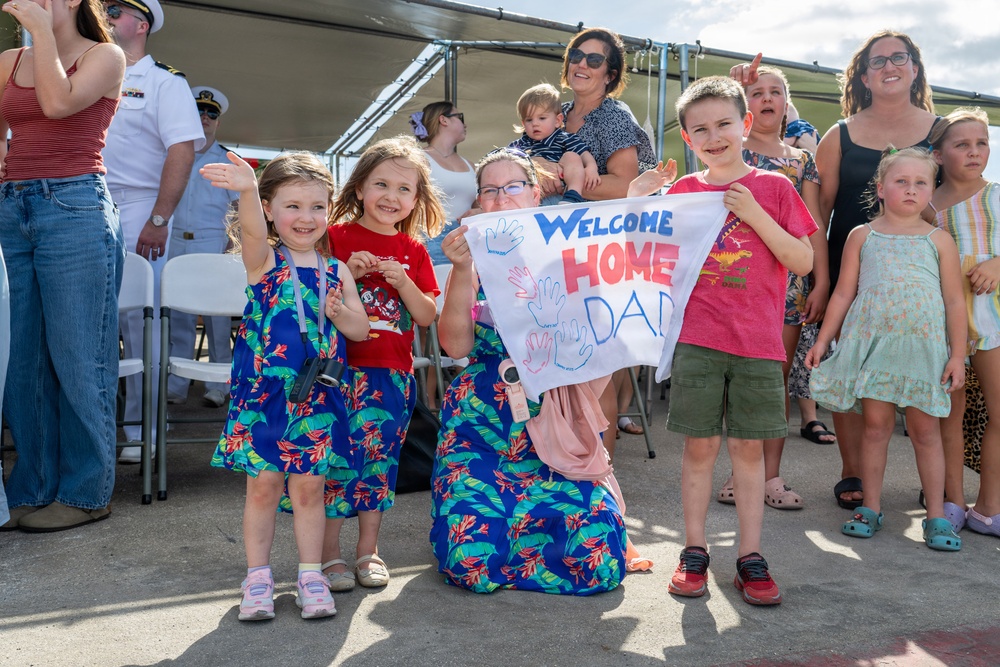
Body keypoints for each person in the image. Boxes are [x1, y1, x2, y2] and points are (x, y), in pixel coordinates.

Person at [630, 76, 816, 606]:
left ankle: (749, 556)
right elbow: (640, 253)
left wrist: (754, 214)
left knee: (748, 450)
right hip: (697, 340)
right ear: (687, 139)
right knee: (699, 447)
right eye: (701, 129)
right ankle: (694, 551)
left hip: (758, 342)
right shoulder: (684, 193)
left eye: (724, 124)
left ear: (746, 125)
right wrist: (635, 199)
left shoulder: (776, 187)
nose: (714, 136)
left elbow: (802, 261)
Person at [429, 149, 631, 595]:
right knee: (471, 563)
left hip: (553, 422)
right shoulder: (468, 258)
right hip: (482, 425)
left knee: (596, 562)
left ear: (536, 194)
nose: (502, 199)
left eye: (513, 187)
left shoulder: (569, 254)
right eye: (490, 190)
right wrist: (463, 270)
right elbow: (455, 345)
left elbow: (602, 336)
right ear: (479, 202)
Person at [204, 151, 369, 621]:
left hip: (317, 398)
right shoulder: (265, 261)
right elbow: (253, 231)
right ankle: (257, 579)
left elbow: (358, 331)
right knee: (263, 487)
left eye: (317, 207)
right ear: (272, 210)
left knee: (310, 490)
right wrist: (247, 191)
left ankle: (311, 575)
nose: (306, 217)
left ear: (330, 211)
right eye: (292, 206)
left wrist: (341, 313)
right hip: (266, 398)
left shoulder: (335, 271)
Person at [0, 0, 126, 532]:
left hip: (74, 206)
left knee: (79, 354)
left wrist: (39, 35)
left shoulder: (107, 55)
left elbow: (56, 104)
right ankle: (29, 487)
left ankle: (86, 492)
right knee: (21, 356)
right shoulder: (7, 59)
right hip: (12, 206)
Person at [806, 147, 965, 551]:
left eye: (920, 183)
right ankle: (871, 508)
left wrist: (957, 354)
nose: (911, 190)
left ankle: (935, 515)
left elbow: (954, 301)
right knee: (875, 429)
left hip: (922, 351)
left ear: (931, 190)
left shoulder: (939, 240)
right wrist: (823, 340)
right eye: (901, 181)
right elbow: (843, 294)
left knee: (925, 432)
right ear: (880, 188)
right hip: (874, 347)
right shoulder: (863, 235)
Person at [814, 31, 939, 509]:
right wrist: (823, 282)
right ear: (863, 76)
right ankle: (853, 475)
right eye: (877, 60)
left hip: (918, 280)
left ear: (914, 67)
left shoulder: (941, 129)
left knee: (927, 376)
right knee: (850, 370)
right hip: (851, 276)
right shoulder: (839, 133)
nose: (890, 65)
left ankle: (937, 484)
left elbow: (952, 199)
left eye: (899, 57)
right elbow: (819, 215)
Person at [318, 135, 443, 591]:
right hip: (339, 374)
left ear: (416, 200)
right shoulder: (335, 238)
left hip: (392, 377)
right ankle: (328, 556)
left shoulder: (415, 252)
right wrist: (347, 269)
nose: (391, 197)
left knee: (378, 462)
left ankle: (367, 552)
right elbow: (311, 294)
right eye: (381, 185)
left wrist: (405, 283)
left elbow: (428, 315)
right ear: (358, 190)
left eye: (403, 189)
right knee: (335, 462)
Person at [713, 66, 829, 511]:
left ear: (786, 102)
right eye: (755, 92)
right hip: (731, 280)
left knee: (771, 380)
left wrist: (823, 279)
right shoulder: (725, 151)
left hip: (788, 284)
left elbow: (813, 224)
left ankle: (770, 477)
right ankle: (737, 470)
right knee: (732, 380)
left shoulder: (801, 161)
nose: (765, 98)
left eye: (774, 92)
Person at [102, 0, 205, 463]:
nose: (104, 13)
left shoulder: (165, 82)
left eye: (115, 9)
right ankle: (99, 427)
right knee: (93, 322)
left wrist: (159, 219)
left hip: (143, 207)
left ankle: (141, 427)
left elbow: (181, 151)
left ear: (141, 25)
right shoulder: (90, 71)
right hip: (89, 202)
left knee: (140, 323)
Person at [557, 27, 658, 448]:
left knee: (598, 367)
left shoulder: (615, 116)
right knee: (565, 362)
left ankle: (602, 473)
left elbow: (626, 184)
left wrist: (562, 182)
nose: (582, 64)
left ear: (610, 73)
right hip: (560, 250)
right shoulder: (556, 113)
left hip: (606, 252)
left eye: (594, 60)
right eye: (577, 56)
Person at [926, 107, 1000, 537]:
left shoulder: (996, 194)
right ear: (938, 155)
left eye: (982, 143)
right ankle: (951, 500)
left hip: (992, 316)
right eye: (962, 145)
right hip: (945, 319)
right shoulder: (927, 204)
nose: (975, 152)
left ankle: (989, 505)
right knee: (948, 416)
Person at [165, 86, 238, 408]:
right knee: (179, 318)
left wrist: (231, 249)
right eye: (199, 111)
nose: (205, 118)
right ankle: (177, 386)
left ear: (218, 121)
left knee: (217, 321)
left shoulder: (227, 160)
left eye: (212, 114)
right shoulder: (172, 153)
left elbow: (237, 211)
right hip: (175, 241)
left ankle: (218, 386)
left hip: (213, 244)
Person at [507, 83, 600, 204]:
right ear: (523, 124)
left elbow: (585, 155)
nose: (535, 123)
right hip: (532, 200)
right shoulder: (518, 146)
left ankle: (573, 195)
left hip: (562, 195)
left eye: (542, 118)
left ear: (557, 120)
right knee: (510, 165)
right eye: (529, 120)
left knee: (571, 156)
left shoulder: (565, 138)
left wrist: (591, 168)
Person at [410, 101, 477, 265]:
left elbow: (478, 203)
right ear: (444, 120)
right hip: (431, 237)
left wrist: (479, 211)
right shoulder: (418, 159)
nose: (465, 124)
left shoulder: (470, 164)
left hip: (467, 239)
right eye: (460, 117)